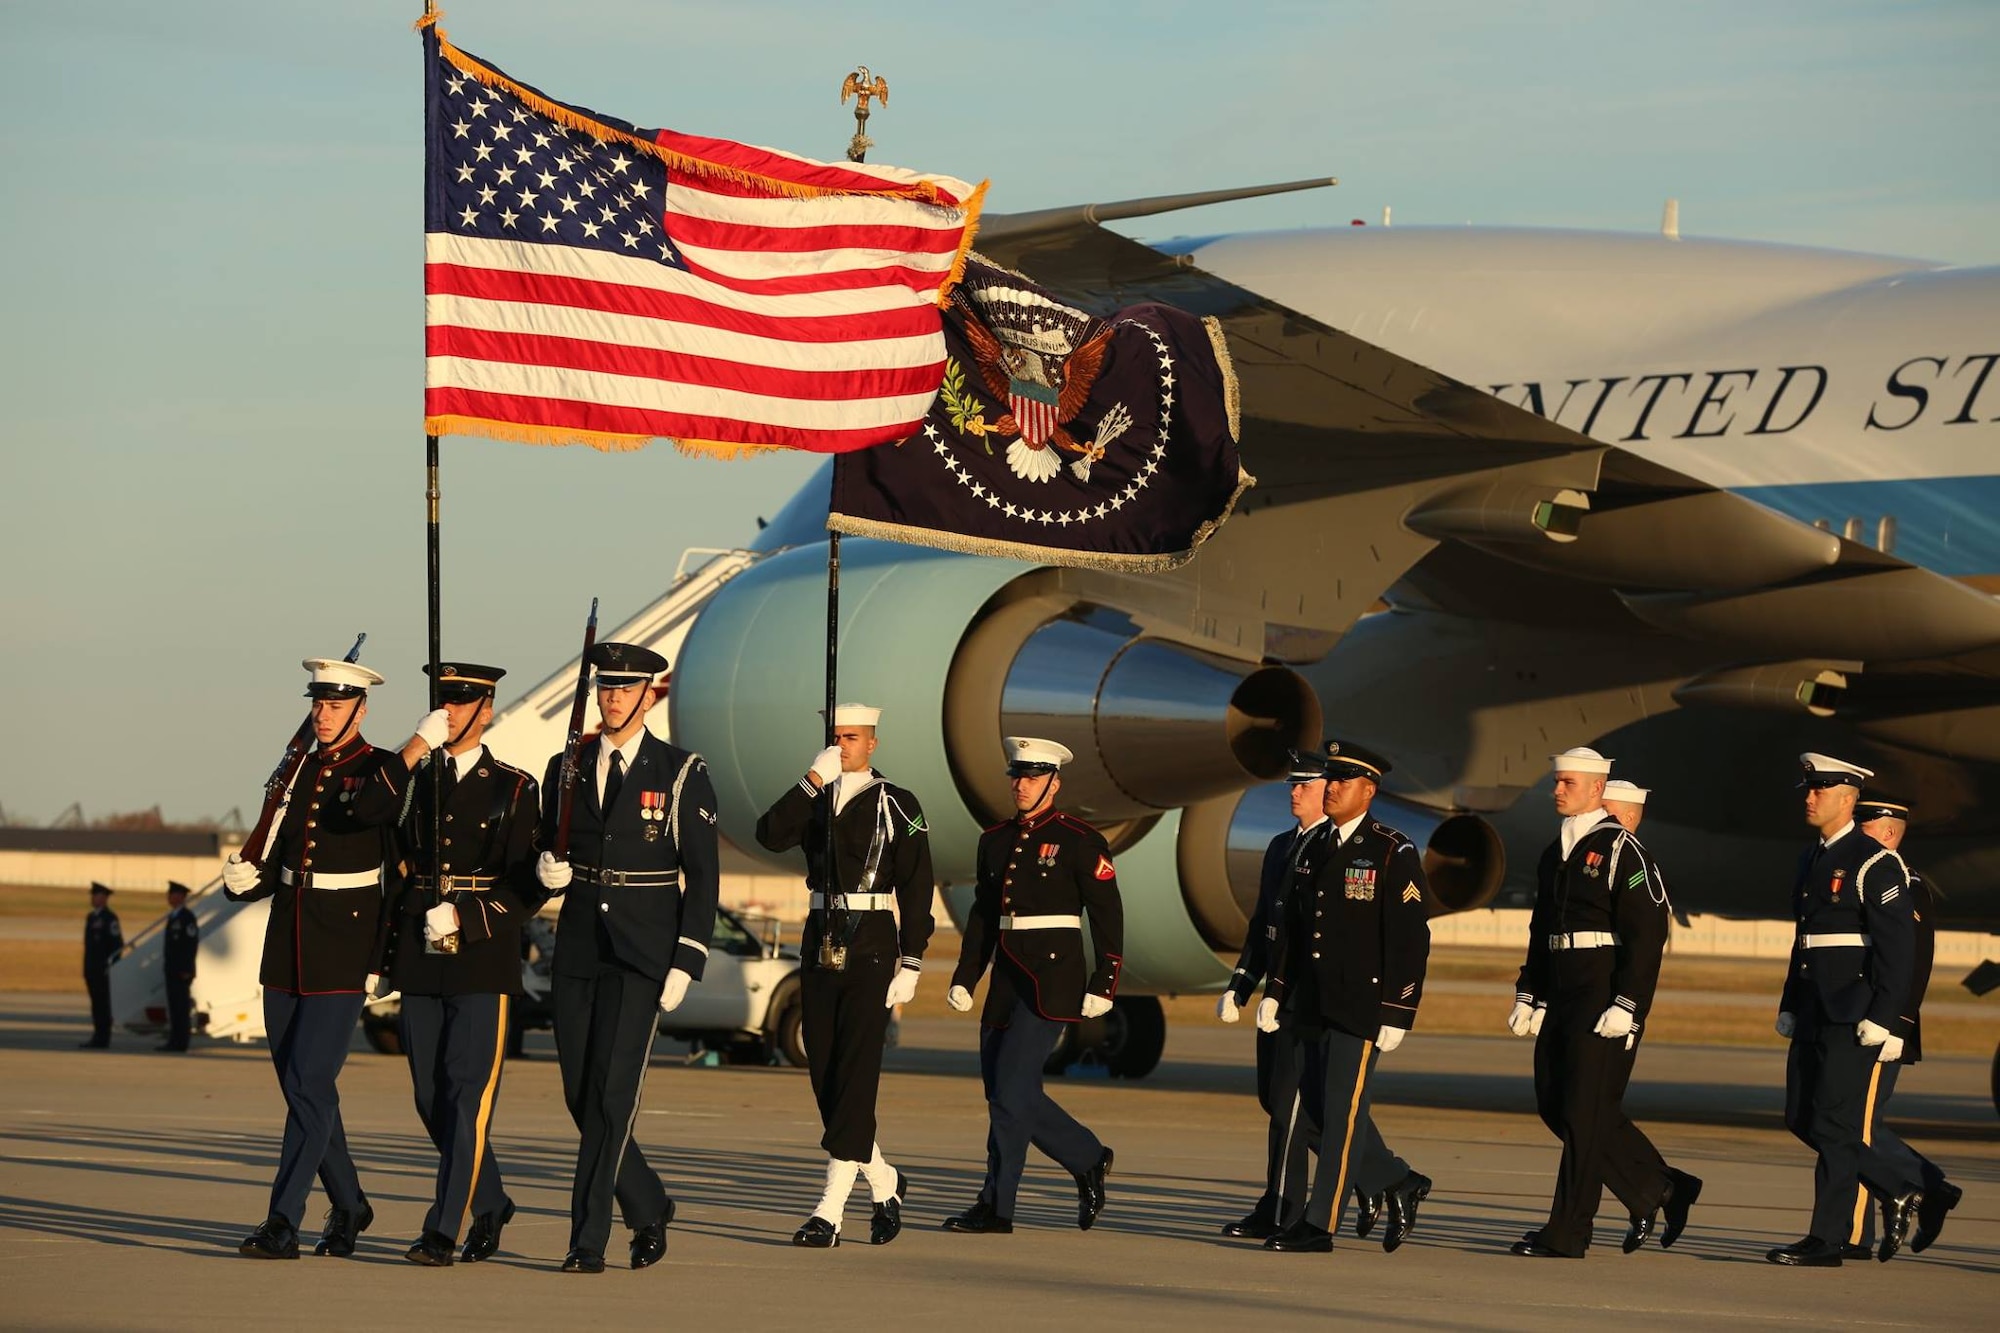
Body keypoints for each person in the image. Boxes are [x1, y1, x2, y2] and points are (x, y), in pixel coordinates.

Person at [219, 653, 442, 1260]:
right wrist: (246, 877)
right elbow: (282, 853)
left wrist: (419, 744)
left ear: (361, 710)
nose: (323, 714)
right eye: (318, 703)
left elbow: (381, 844)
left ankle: (282, 1221)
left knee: (308, 1081)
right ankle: (349, 1203)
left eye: (337, 704)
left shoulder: (382, 772)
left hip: (346, 947)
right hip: (288, 942)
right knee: (303, 1088)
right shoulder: (296, 772)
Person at [534, 641, 720, 1274]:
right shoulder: (567, 767)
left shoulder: (680, 771)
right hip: (580, 945)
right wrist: (544, 872)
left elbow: (704, 876)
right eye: (605, 687)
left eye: (625, 688)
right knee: (579, 1096)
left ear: (650, 695)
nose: (612, 698)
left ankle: (587, 1240)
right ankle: (648, 1203)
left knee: (613, 1099)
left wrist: (685, 961)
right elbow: (543, 852)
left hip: (644, 955)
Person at [755, 702, 935, 1248]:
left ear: (873, 743)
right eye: (835, 737)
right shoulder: (817, 794)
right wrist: (813, 778)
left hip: (874, 942)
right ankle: (884, 1181)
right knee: (826, 1074)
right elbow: (768, 834)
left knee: (856, 1075)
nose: (843, 746)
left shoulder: (898, 804)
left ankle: (829, 1212)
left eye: (852, 737)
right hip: (820, 938)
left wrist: (913, 960)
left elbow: (917, 885)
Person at [384, 661, 541, 1267]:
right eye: (443, 703)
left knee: (466, 1096)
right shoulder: (415, 781)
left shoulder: (515, 787)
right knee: (430, 1098)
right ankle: (493, 1200)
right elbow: (394, 868)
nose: (451, 714)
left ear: (488, 711)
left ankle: (442, 1228)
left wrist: (472, 917)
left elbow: (531, 884)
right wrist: (384, 955)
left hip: (481, 955)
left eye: (464, 704)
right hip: (421, 954)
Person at [1508, 750, 1694, 1259]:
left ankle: (1568, 1231)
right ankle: (1659, 1188)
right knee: (1555, 1104)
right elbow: (1541, 927)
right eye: (1557, 781)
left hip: (1601, 991)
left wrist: (1628, 1003)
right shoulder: (1555, 852)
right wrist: (1531, 991)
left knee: (1584, 1114)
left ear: (1596, 789)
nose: (1557, 790)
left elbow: (1646, 934)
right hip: (1562, 987)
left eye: (1567, 782)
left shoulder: (1623, 851)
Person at [1255, 740, 1432, 1254]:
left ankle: (1320, 1224)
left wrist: (1400, 1009)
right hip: (1309, 1002)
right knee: (1309, 1109)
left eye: (1342, 781)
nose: (1329, 789)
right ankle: (1395, 1183)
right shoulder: (1312, 846)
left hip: (1360, 1007)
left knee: (1341, 1115)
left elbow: (1409, 937)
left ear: (1368, 790)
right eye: (1328, 779)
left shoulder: (1390, 850)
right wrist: (1276, 991)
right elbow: (1294, 930)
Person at [942, 737, 1121, 1236]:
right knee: (1004, 1093)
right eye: (1017, 776)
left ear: (1054, 783)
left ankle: (997, 1207)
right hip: (1006, 978)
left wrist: (1104, 979)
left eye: (1033, 777)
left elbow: (1108, 913)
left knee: (1012, 1092)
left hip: (1053, 979)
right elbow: (983, 915)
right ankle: (1087, 1156)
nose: (1022, 785)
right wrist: (965, 976)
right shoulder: (994, 840)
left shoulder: (1079, 839)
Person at [1767, 753, 1917, 1268]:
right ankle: (1898, 1185)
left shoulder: (1875, 861)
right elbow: (1805, 940)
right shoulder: (1811, 858)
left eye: (1820, 791)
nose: (1809, 798)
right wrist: (1790, 1001)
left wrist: (1886, 1016)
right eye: (1807, 789)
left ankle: (1827, 1239)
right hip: (1812, 1008)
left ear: (1848, 799)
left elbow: (1899, 949)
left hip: (1854, 1014)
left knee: (1833, 1124)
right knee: (1799, 1117)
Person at [1216, 749, 1329, 1240]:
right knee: (1274, 1098)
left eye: (1305, 785)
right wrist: (1241, 983)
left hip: (1310, 996)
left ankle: (1280, 1206)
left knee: (1290, 1105)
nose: (1294, 791)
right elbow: (1265, 925)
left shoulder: (1334, 848)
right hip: (1274, 995)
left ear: (1331, 791)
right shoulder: (1282, 846)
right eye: (1293, 784)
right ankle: (1385, 1177)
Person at [1850, 794, 1960, 1261]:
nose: (1856, 831)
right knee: (1851, 1125)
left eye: (1866, 824)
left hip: (1885, 1025)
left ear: (1889, 831)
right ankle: (1917, 1197)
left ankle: (1922, 1191)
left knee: (1855, 1126)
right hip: (1860, 1020)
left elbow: (1913, 962)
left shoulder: (1903, 881)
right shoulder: (1865, 873)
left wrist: (1897, 1023)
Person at [79, 883, 122, 1049]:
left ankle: (103, 1038)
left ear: (104, 898)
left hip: (103, 970)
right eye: (93, 895)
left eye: (96, 895)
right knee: (96, 1004)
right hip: (91, 968)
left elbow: (117, 945)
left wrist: (111, 966)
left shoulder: (110, 918)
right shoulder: (91, 917)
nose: (93, 898)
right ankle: (97, 1035)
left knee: (103, 1005)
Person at [158, 881, 199, 1052]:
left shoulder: (186, 918)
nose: (170, 897)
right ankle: (174, 1040)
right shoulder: (173, 916)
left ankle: (181, 1042)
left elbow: (190, 945)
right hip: (172, 970)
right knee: (174, 1007)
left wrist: (186, 970)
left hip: (182, 972)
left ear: (181, 897)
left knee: (181, 1008)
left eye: (173, 894)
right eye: (169, 894)